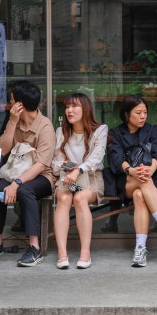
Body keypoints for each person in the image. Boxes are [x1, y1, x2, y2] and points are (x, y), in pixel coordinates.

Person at [0, 80, 56, 267]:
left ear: (20, 104)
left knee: (24, 191)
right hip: (16, 173)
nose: (9, 103)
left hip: (43, 177)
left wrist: (17, 184)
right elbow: (3, 150)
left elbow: (41, 165)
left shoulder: (45, 127)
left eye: (11, 100)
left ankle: (34, 247)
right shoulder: (14, 121)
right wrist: (12, 121)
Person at [107, 95, 157, 268]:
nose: (143, 116)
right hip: (126, 181)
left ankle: (140, 249)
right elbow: (116, 158)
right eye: (138, 112)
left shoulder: (153, 130)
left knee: (140, 194)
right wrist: (132, 171)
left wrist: (151, 169)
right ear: (127, 114)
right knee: (141, 183)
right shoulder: (115, 133)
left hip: (150, 178)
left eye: (145, 112)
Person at [51, 93, 106, 270]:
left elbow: (96, 158)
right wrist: (67, 167)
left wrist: (78, 170)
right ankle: (62, 253)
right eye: (67, 107)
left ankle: (85, 253)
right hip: (67, 178)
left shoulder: (100, 130)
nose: (69, 110)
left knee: (80, 198)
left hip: (90, 178)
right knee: (65, 198)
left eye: (74, 106)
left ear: (85, 109)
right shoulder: (61, 131)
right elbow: (55, 162)